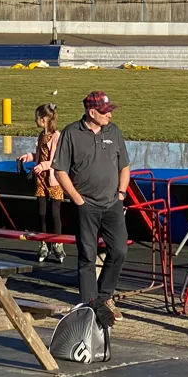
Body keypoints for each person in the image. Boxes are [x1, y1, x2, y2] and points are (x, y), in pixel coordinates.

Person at [53, 91, 130, 321]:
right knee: (87, 254)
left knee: (119, 250)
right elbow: (59, 170)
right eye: (105, 111)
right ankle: (89, 304)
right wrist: (77, 199)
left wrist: (121, 194)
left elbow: (124, 166)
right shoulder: (71, 133)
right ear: (91, 112)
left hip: (112, 203)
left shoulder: (113, 131)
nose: (109, 115)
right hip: (86, 204)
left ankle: (105, 295)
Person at [16, 103, 65, 263]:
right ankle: (43, 243)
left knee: (55, 213)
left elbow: (56, 160)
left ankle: (57, 242)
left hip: (53, 179)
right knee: (42, 212)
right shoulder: (40, 136)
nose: (35, 120)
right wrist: (28, 157)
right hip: (40, 179)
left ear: (43, 119)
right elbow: (40, 155)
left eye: (36, 118)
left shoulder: (57, 136)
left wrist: (43, 166)